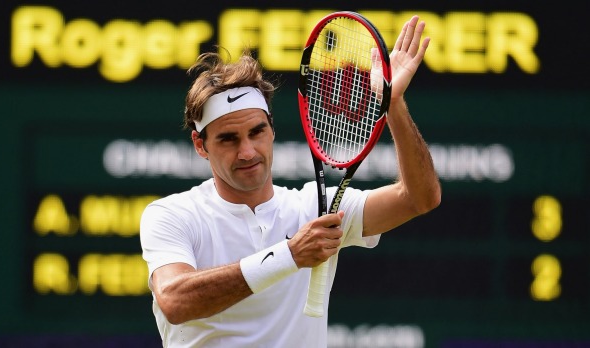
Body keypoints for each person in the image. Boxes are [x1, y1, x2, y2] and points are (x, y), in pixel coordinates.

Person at [140, 15, 441, 347]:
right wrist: (290, 254)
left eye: (257, 132)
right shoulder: (172, 214)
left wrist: (393, 104)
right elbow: (174, 301)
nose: (247, 151)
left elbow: (419, 198)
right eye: (228, 139)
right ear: (201, 145)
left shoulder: (314, 207)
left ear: (272, 129)